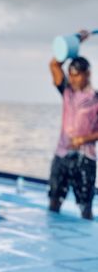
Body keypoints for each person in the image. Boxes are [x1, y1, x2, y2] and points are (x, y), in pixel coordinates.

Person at [48, 31, 98, 220]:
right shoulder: (67, 92)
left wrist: (84, 138)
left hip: (85, 158)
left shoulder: (96, 99)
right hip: (62, 155)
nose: (74, 79)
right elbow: (54, 64)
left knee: (85, 206)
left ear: (87, 74)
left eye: (77, 75)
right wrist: (74, 42)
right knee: (54, 200)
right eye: (71, 75)